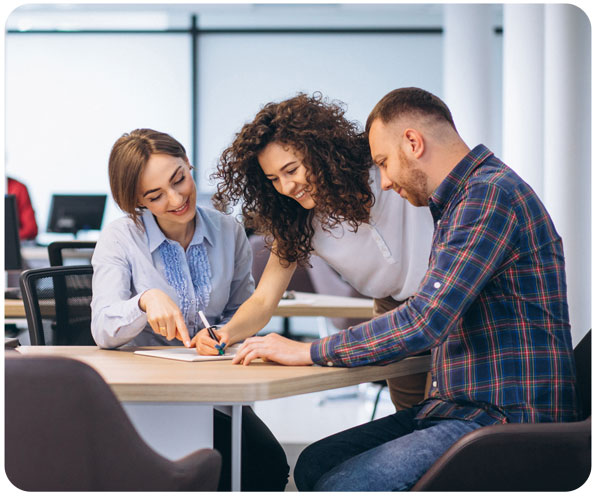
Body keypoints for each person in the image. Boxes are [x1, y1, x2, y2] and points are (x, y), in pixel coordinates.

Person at [230, 87, 580, 491]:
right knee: (314, 463)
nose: (383, 180)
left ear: (413, 142)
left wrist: (308, 351)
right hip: (459, 405)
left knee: (342, 484)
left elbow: (425, 321)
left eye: (382, 162)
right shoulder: (456, 202)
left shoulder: (487, 198)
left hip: (505, 416)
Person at [201, 92, 434, 411]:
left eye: (291, 170)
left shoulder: (382, 169)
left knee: (453, 418)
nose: (286, 187)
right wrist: (223, 333)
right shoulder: (298, 221)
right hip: (391, 313)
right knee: (412, 421)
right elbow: (264, 299)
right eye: (273, 179)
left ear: (319, 151)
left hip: (446, 297)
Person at [90, 128, 288, 491]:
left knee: (265, 467)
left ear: (188, 163)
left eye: (179, 179)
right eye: (155, 195)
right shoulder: (120, 238)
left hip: (212, 393)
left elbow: (241, 311)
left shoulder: (229, 231)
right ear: (138, 201)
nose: (177, 197)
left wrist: (222, 335)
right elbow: (103, 327)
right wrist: (145, 301)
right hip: (143, 398)